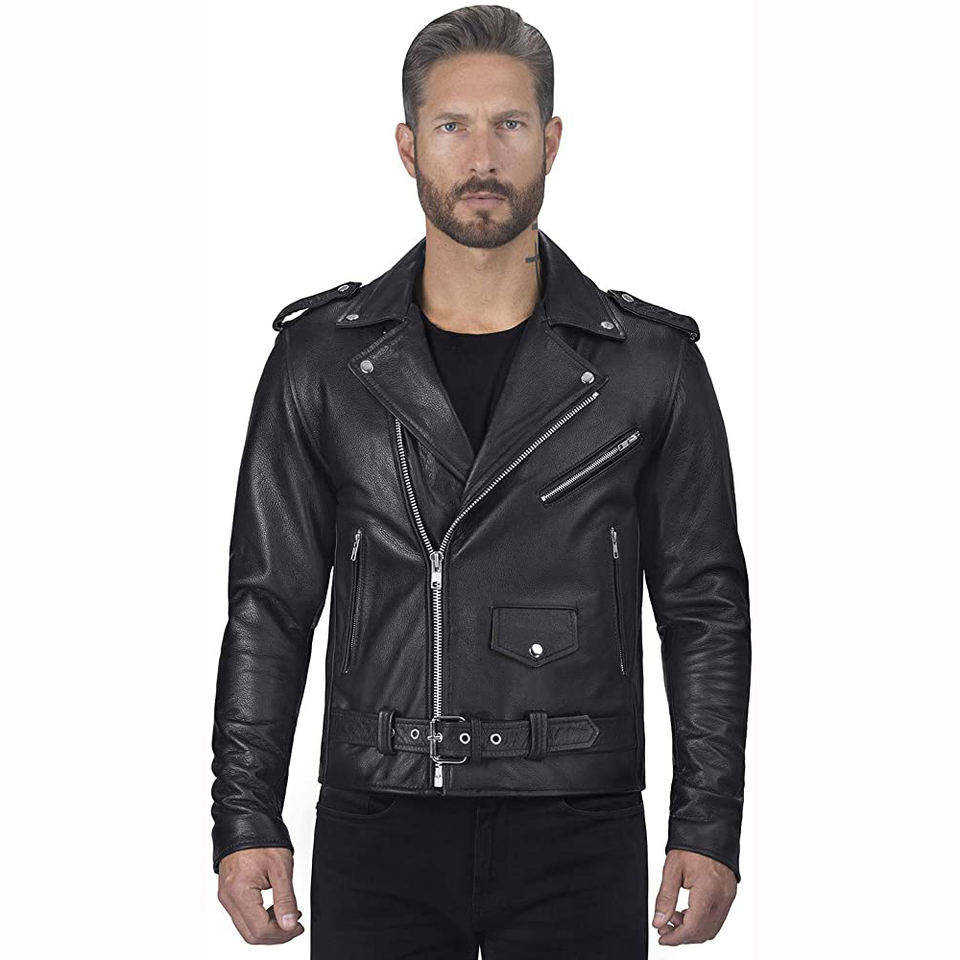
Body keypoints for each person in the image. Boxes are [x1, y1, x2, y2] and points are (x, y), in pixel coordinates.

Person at [211, 5, 751, 957]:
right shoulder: (321, 362)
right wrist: (246, 816)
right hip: (379, 819)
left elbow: (703, 607)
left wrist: (707, 825)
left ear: (551, 140)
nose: (483, 156)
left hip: (578, 819)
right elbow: (270, 604)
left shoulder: (648, 366)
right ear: (408, 146)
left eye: (509, 124)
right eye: (452, 126)